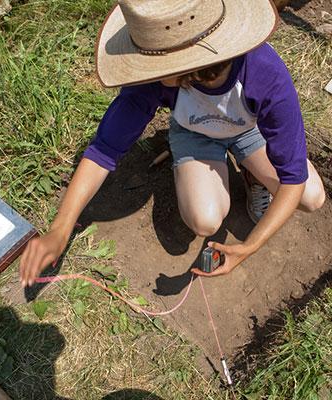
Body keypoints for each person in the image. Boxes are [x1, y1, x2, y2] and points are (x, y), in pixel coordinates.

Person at [20, 0, 325, 287]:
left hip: (248, 131)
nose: (145, 69)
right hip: (195, 133)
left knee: (310, 197)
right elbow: (103, 151)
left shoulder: (265, 74)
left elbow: (293, 178)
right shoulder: (156, 81)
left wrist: (248, 247)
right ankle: (198, 163)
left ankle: (252, 173)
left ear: (189, 68)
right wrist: (60, 229)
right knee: (205, 220)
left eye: (152, 64)